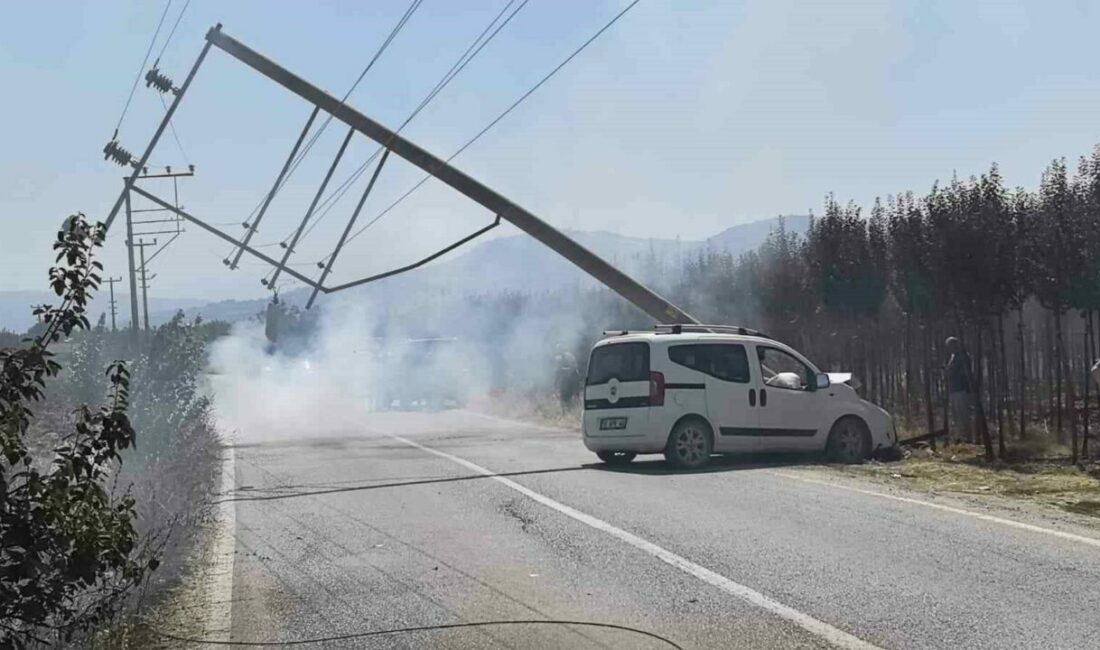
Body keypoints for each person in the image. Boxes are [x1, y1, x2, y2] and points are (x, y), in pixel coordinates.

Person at [944, 337, 973, 444]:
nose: (950, 348)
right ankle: (959, 436)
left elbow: (962, 373)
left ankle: (968, 438)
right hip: (953, 389)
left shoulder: (963, 357)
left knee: (963, 414)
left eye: (951, 346)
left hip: (961, 389)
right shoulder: (953, 357)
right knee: (955, 415)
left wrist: (951, 373)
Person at [554, 343, 579, 415]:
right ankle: (564, 413)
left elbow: (573, 368)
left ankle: (572, 412)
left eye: (560, 349)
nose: (559, 351)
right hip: (564, 382)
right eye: (558, 350)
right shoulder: (558, 358)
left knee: (571, 397)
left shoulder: (570, 357)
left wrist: (563, 370)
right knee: (563, 397)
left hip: (572, 380)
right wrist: (555, 383)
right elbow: (557, 372)